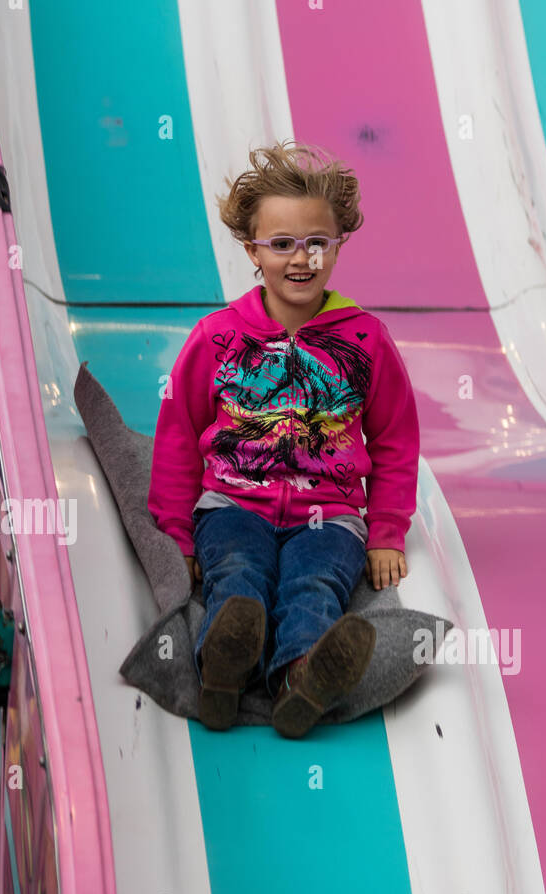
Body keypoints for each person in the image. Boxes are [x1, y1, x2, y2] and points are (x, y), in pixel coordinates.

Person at [147, 140, 420, 737]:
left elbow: (397, 440)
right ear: (252, 249)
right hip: (232, 505)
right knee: (238, 573)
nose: (302, 259)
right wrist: (176, 536)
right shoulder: (216, 337)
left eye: (317, 242)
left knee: (314, 583)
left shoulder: (365, 340)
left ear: (338, 243)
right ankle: (223, 671)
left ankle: (303, 678)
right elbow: (175, 436)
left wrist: (386, 532)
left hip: (331, 514)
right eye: (282, 244)